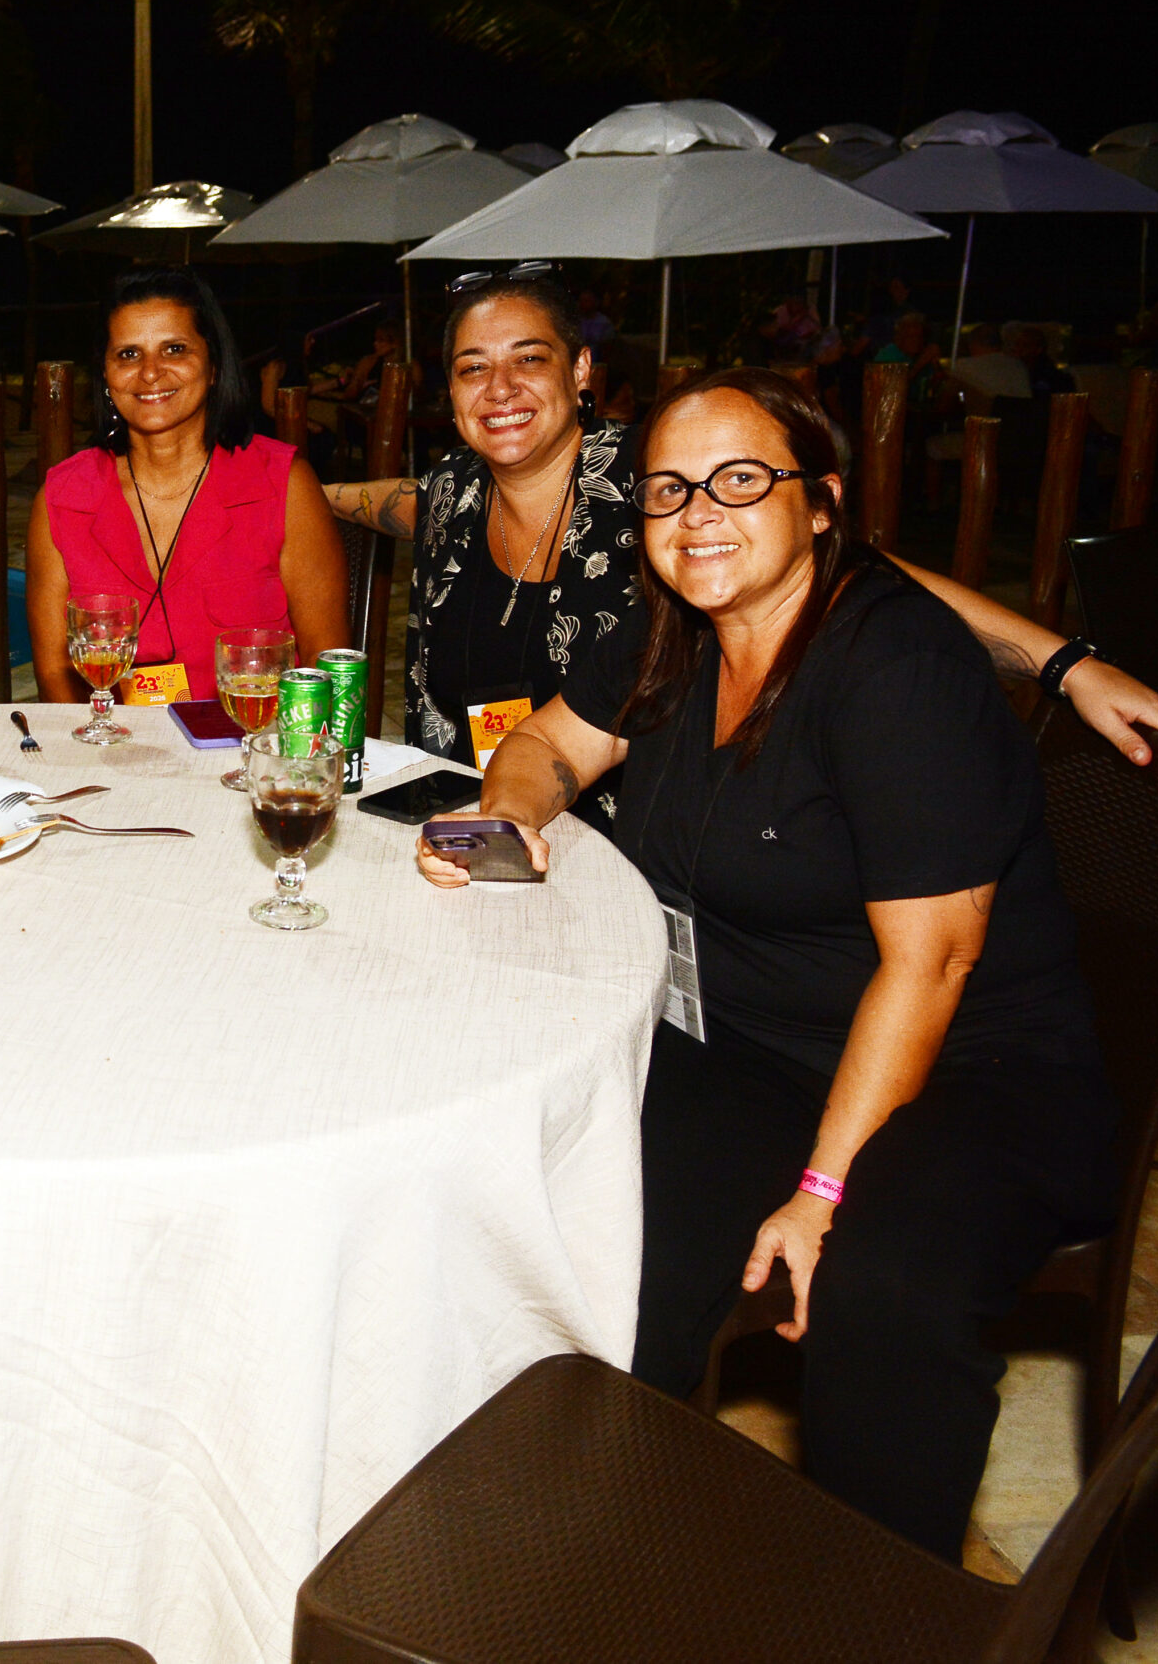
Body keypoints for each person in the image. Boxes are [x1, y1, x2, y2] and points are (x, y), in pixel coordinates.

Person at [412, 368, 1117, 1560]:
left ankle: (886, 1611)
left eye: (740, 480)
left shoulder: (893, 666)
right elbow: (544, 743)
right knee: (580, 1205)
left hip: (973, 1067)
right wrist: (512, 812)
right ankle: (578, 1546)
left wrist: (821, 1190)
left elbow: (934, 962)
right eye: (669, 489)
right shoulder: (671, 632)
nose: (698, 513)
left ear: (821, 502)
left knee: (876, 1292)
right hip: (758, 1044)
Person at [322, 269, 1158, 822]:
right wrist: (292, 495)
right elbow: (384, 503)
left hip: (642, 846)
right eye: (473, 367)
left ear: (580, 371)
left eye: (529, 359)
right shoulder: (452, 491)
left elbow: (860, 571)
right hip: (474, 819)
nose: (500, 388)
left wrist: (1066, 664)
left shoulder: (662, 481)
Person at [28, 268, 349, 704]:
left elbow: (326, 666)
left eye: (174, 349)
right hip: (113, 741)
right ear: (105, 374)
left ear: (214, 366)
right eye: (128, 354)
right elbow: (54, 674)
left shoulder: (283, 485)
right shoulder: (64, 498)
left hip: (253, 740)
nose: (150, 372)